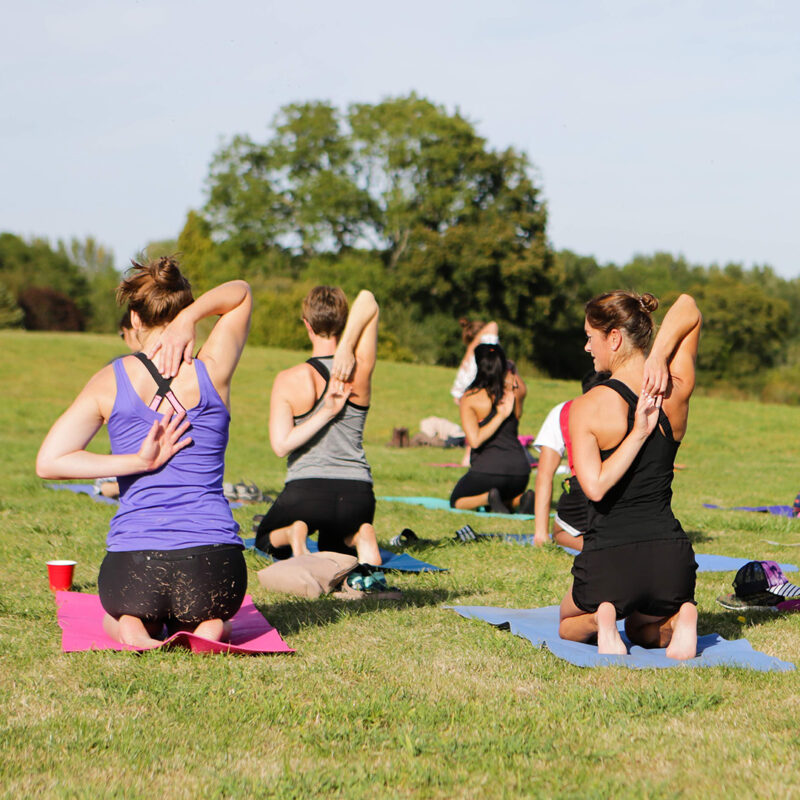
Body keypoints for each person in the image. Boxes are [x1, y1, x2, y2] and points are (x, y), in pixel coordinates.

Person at [37, 256, 252, 648]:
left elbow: (49, 462)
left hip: (134, 571)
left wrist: (138, 462)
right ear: (186, 308)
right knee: (219, 613)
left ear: (135, 319)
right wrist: (192, 318)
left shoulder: (109, 380)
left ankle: (133, 628)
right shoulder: (213, 368)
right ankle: (211, 627)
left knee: (114, 617)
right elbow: (241, 292)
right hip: (214, 570)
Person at [558, 292, 702, 659]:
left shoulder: (586, 407)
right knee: (643, 629)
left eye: (591, 336)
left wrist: (638, 433)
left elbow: (594, 487)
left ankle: (602, 619)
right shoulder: (675, 387)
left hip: (610, 558)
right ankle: (682, 617)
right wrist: (658, 358)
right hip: (669, 558)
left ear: (615, 338)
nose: (588, 347)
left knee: (567, 624)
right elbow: (688, 307)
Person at [254, 287, 383, 568]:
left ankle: (294, 531)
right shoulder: (358, 370)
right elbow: (368, 299)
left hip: (305, 493)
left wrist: (323, 413)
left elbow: (281, 446)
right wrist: (348, 346)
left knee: (263, 539)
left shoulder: (288, 379)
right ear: (345, 322)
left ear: (306, 324)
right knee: (335, 546)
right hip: (357, 495)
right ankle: (359, 534)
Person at [449, 343, 533, 514]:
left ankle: (487, 498)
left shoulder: (471, 397)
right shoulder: (516, 392)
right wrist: (511, 368)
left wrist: (499, 416)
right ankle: (519, 500)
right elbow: (516, 381)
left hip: (487, 472)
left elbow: (475, 440)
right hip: (520, 472)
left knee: (456, 501)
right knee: (506, 495)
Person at [532, 370, 610, 549]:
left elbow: (545, 474)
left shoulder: (563, 412)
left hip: (585, 488)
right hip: (629, 488)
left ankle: (599, 548)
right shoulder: (632, 409)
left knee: (560, 534)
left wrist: (541, 533)